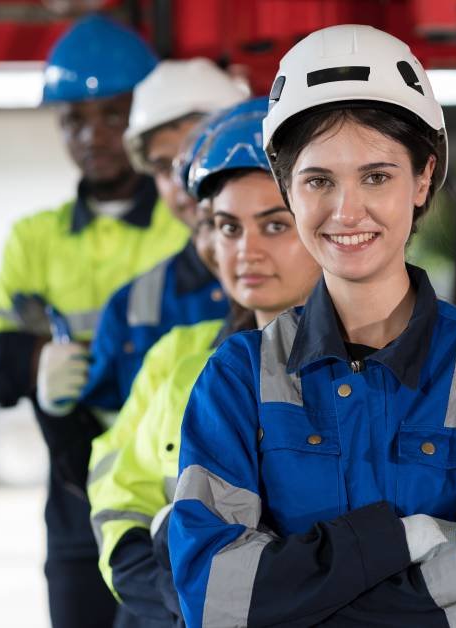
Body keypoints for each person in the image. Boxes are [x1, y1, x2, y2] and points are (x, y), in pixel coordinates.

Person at [169, 24, 456, 627]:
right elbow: (217, 599)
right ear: (287, 188)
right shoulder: (237, 379)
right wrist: (399, 539)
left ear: (423, 178)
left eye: (376, 176)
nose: (347, 211)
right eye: (319, 180)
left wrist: (299, 592)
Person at [0, 14, 186, 628]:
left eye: (112, 117)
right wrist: (36, 360)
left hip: (168, 489)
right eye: (74, 120)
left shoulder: (190, 224)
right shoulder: (33, 238)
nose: (92, 136)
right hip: (73, 498)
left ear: (142, 117)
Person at [86, 97, 322, 624]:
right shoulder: (176, 355)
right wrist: (156, 590)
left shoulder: (368, 369)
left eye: (275, 225)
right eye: (229, 227)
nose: (245, 251)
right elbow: (117, 485)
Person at [79, 59, 249, 416]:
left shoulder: (328, 278)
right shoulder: (129, 309)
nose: (182, 181)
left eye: (198, 155)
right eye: (162, 166)